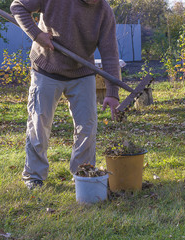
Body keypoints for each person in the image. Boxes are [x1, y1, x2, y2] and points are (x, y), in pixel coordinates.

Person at [10, 0, 121, 189]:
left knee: (87, 126)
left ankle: (83, 174)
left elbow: (110, 52)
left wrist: (112, 92)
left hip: (82, 71)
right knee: (40, 122)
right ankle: (34, 176)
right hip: (46, 67)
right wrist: (37, 35)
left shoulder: (103, 10)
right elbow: (17, 6)